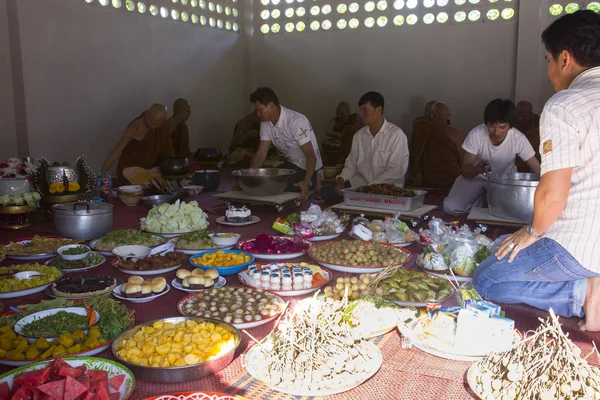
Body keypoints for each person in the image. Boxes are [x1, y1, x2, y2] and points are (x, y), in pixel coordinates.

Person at [473, 10, 600, 330]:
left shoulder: (566, 105)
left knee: (487, 278)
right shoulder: (478, 134)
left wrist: (531, 231)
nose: (548, 70)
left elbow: (553, 192)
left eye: (548, 59)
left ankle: (581, 292)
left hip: (578, 246)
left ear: (565, 59)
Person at [442, 99, 541, 215]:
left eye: (502, 127)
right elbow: (465, 171)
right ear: (486, 123)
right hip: (477, 177)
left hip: (505, 180)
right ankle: (477, 201)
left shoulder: (518, 138)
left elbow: (536, 168)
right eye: (492, 126)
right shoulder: (476, 134)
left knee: (512, 211)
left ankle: (484, 204)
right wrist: (477, 169)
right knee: (451, 207)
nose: (496, 132)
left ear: (510, 126)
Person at [320, 91, 409, 203]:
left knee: (373, 202)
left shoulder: (396, 135)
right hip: (361, 183)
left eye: (365, 110)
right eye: (360, 110)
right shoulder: (359, 135)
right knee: (326, 192)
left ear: (379, 110)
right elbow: (351, 164)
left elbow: (395, 171)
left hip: (386, 187)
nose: (361, 114)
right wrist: (341, 178)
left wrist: (369, 188)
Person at [249, 87, 322, 201]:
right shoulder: (265, 124)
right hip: (292, 165)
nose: (257, 114)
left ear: (271, 105)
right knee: (266, 180)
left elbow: (311, 156)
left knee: (276, 185)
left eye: (260, 110)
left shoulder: (296, 121)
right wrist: (248, 178)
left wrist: (307, 181)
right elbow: (261, 153)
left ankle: (315, 181)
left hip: (308, 167)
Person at [101, 104, 173, 186]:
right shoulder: (135, 127)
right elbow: (116, 151)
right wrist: (102, 173)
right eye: (151, 122)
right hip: (131, 170)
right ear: (146, 114)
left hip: (150, 170)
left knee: (163, 181)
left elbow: (168, 149)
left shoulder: (163, 127)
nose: (153, 127)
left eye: (156, 125)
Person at [410, 102, 464, 189]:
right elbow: (462, 159)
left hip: (428, 177)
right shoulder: (455, 133)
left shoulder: (421, 127)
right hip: (451, 177)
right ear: (449, 116)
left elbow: (415, 152)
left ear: (431, 115)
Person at [406, 100, 436, 186]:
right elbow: (415, 141)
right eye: (426, 111)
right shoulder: (419, 122)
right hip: (419, 159)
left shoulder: (443, 126)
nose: (427, 114)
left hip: (434, 162)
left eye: (431, 112)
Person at [514, 100, 542, 172]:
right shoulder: (511, 123)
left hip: (534, 158)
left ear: (530, 114)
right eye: (518, 115)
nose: (520, 118)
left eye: (523, 116)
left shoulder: (538, 123)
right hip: (516, 161)